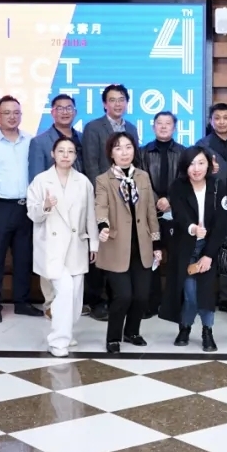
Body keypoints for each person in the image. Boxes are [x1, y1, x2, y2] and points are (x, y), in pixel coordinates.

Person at [26, 137, 98, 357]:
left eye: (70, 151)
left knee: (75, 297)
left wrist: (94, 243)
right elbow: (32, 214)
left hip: (77, 245)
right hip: (52, 246)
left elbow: (90, 215)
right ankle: (58, 341)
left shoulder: (83, 181)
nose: (66, 155)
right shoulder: (41, 180)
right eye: (61, 151)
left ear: (75, 155)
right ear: (53, 154)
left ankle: (66, 330)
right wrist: (46, 206)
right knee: (65, 291)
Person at [93, 131, 162, 354]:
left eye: (128, 147)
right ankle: (113, 337)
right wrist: (102, 225)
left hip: (142, 246)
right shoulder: (103, 180)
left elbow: (151, 212)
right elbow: (100, 206)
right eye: (118, 148)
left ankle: (132, 332)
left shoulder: (142, 177)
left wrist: (156, 244)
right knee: (123, 295)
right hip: (115, 246)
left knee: (141, 296)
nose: (124, 152)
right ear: (111, 153)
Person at [0, 95, 41, 323]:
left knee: (24, 258)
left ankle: (22, 302)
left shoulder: (31, 141)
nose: (12, 117)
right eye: (6, 113)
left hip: (26, 207)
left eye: (16, 112)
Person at [82, 84, 140, 321]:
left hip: (126, 200)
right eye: (113, 100)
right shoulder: (93, 127)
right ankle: (96, 301)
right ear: (105, 104)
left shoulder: (131, 128)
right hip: (103, 198)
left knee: (120, 248)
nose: (118, 104)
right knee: (100, 247)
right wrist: (101, 196)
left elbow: (135, 164)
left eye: (122, 99)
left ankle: (117, 299)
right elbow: (91, 164)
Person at [165, 147, 227, 351]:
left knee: (206, 292)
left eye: (201, 163)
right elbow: (179, 214)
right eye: (192, 164)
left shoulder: (218, 186)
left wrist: (209, 255)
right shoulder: (178, 186)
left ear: (209, 164)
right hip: (186, 246)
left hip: (209, 246)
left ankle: (207, 331)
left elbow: (221, 224)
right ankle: (185, 326)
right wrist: (192, 228)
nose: (196, 168)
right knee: (191, 293)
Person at [139, 111, 186, 319]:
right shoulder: (142, 152)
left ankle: (174, 304)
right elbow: (141, 180)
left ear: (174, 127)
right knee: (150, 259)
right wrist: (157, 199)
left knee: (176, 258)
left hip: (176, 214)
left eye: (168, 123)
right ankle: (151, 303)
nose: (164, 126)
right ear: (153, 126)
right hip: (149, 213)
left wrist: (170, 200)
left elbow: (185, 180)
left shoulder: (184, 152)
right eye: (160, 123)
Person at [195, 102, 227, 314]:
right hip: (209, 203)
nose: (221, 122)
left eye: (225, 118)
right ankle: (205, 296)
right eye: (217, 118)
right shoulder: (202, 145)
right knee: (206, 246)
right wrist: (208, 171)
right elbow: (191, 172)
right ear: (210, 121)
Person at [28, 94, 83, 180]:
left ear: (75, 112)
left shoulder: (83, 137)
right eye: (60, 109)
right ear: (52, 113)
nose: (65, 112)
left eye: (69, 108)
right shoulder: (39, 142)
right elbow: (36, 178)